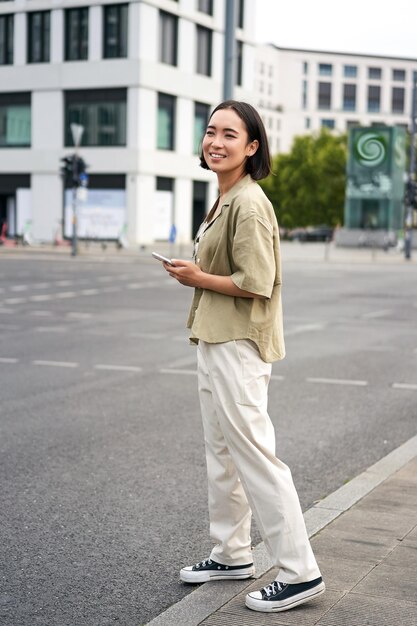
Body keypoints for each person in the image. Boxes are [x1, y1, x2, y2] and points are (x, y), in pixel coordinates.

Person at [161, 100, 325, 613]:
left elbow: (254, 284)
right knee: (223, 457)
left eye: (230, 134)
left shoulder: (249, 203)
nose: (215, 141)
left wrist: (194, 276)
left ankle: (300, 572)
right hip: (215, 339)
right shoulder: (225, 197)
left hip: (238, 345)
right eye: (211, 131)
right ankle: (232, 554)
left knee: (256, 458)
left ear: (252, 147)